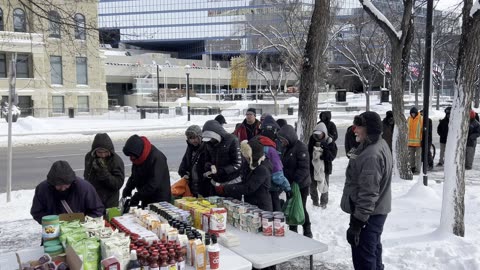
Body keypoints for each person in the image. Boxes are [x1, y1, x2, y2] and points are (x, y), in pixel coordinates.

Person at [341, 111, 392, 270]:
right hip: (372, 213)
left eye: (359, 127)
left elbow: (368, 193)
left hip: (367, 216)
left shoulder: (371, 155)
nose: (354, 129)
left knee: (364, 258)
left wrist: (357, 224)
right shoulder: (375, 144)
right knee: (373, 251)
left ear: (369, 129)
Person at [31, 160, 104, 224]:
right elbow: (37, 212)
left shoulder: (84, 188)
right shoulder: (42, 189)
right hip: (53, 229)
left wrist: (86, 222)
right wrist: (51, 222)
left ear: (71, 181)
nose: (63, 188)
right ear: (52, 183)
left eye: (66, 184)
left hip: (81, 229)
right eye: (59, 185)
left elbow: (97, 209)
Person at [216, 139, 273, 211]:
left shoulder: (262, 169)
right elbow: (244, 182)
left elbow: (248, 188)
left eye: (246, 156)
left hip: (261, 207)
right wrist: (226, 187)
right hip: (252, 204)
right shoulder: (251, 165)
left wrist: (226, 188)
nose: (245, 158)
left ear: (253, 156)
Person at [277, 124, 312, 238]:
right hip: (290, 184)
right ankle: (293, 231)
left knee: (300, 207)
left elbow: (304, 168)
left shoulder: (300, 147)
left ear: (289, 137)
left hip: (300, 185)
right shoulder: (285, 148)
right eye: (281, 140)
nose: (282, 142)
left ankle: (307, 230)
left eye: (283, 139)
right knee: (291, 207)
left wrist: (295, 183)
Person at [122, 134, 171, 208]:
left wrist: (138, 195)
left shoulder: (157, 158)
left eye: (132, 155)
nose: (131, 158)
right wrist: (128, 188)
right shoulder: (138, 158)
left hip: (159, 199)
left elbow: (154, 183)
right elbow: (135, 175)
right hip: (146, 196)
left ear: (139, 151)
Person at [256, 115, 291, 211]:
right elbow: (277, 175)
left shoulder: (254, 143)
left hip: (255, 188)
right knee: (274, 218)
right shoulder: (271, 149)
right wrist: (287, 188)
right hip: (270, 189)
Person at [84, 133, 125, 209]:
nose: (103, 155)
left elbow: (118, 184)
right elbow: (87, 175)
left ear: (109, 151)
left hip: (109, 202)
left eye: (105, 152)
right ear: (95, 151)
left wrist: (104, 174)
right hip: (93, 199)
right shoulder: (89, 157)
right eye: (99, 152)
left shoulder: (116, 161)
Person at [202, 120, 243, 190]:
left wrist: (221, 170)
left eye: (212, 138)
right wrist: (209, 166)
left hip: (231, 181)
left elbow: (238, 163)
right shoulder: (208, 144)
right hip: (215, 181)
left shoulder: (232, 140)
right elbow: (206, 160)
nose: (211, 141)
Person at [308, 122, 337, 208]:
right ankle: (315, 203)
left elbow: (331, 157)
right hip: (312, 167)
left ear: (324, 133)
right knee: (312, 186)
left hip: (325, 168)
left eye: (319, 134)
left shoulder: (330, 141)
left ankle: (323, 203)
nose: (317, 136)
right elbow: (309, 152)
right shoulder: (312, 139)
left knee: (324, 185)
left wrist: (325, 149)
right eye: (315, 134)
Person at [178, 125, 208, 197]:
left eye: (195, 137)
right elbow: (184, 164)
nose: (193, 140)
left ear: (200, 137)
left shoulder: (206, 148)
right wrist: (184, 173)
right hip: (192, 187)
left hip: (204, 187)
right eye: (190, 138)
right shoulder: (190, 148)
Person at [407, 107, 423, 174]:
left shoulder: (420, 119)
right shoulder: (408, 119)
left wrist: (422, 140)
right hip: (410, 142)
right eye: (412, 113)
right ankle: (412, 168)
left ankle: (418, 170)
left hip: (418, 142)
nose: (413, 115)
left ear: (416, 113)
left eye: (414, 113)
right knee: (411, 157)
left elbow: (422, 130)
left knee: (418, 157)